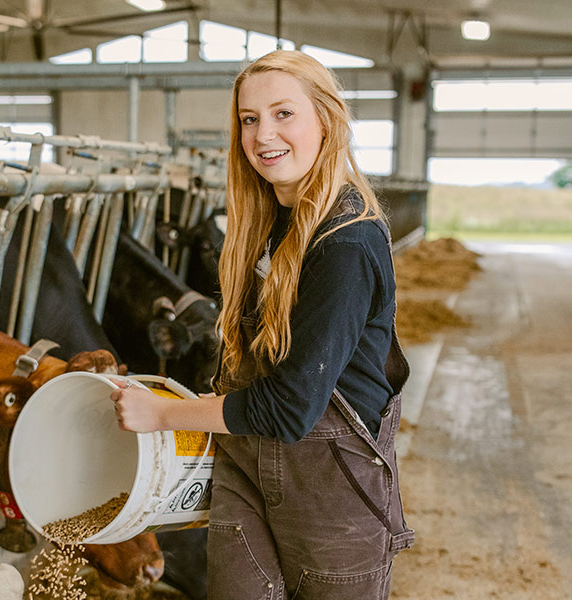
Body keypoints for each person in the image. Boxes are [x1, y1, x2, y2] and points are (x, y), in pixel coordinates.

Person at [110, 49, 414, 600]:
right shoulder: (270, 225)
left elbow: (291, 407)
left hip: (332, 485)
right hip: (245, 465)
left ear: (325, 119)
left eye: (282, 114)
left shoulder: (346, 242)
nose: (262, 135)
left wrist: (164, 414)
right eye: (249, 119)